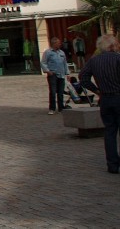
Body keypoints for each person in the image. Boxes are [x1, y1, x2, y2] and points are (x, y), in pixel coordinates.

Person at [78, 34, 120, 174]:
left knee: (109, 132)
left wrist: (97, 90)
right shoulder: (117, 58)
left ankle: (112, 165)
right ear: (111, 46)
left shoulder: (94, 61)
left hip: (105, 99)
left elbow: (83, 77)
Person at [41, 37, 68, 114]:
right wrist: (47, 71)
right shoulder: (48, 52)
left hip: (61, 74)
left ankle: (61, 107)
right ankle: (52, 108)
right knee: (53, 92)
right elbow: (43, 62)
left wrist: (67, 73)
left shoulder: (61, 53)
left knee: (61, 92)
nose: (60, 44)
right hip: (53, 74)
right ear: (54, 43)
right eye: (58, 43)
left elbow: (65, 63)